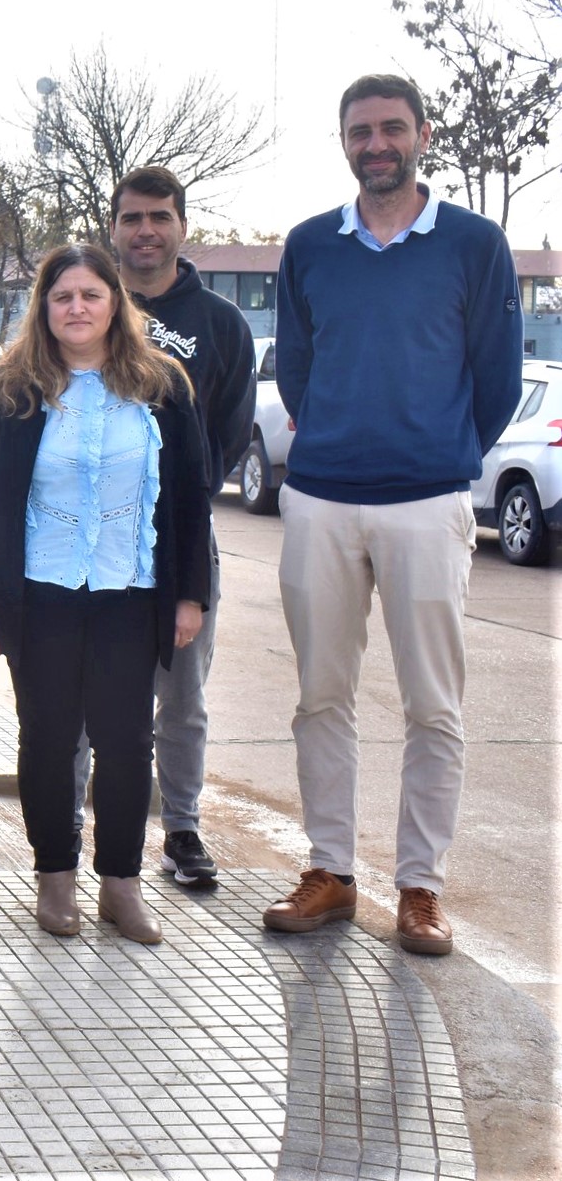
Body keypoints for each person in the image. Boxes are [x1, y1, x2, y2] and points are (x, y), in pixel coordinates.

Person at [262, 73, 522, 956]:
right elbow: (296, 369)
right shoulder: (308, 246)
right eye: (359, 131)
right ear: (342, 142)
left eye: (391, 128)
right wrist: (338, 439)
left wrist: (438, 453)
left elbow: (496, 381)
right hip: (322, 499)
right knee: (319, 698)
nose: (376, 143)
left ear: (420, 134)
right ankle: (330, 871)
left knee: (432, 707)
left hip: (427, 500)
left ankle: (420, 889)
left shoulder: (473, 244)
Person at [0, 245, 212, 945]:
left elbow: (190, 497)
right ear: (43, 307)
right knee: (46, 738)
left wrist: (191, 595)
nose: (76, 308)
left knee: (126, 742)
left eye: (90, 295)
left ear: (114, 303)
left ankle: (120, 888)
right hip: (41, 591)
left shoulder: (161, 386)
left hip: (131, 590)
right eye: (61, 296)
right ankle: (55, 880)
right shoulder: (11, 388)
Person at [69, 167, 255, 887]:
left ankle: (181, 830)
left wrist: (181, 501)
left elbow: (230, 432)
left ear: (180, 224)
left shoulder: (219, 323)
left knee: (180, 692)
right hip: (86, 538)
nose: (144, 230)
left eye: (158, 217)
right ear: (112, 228)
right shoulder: (84, 308)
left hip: (179, 536)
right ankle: (71, 828)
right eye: (130, 218)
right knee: (82, 689)